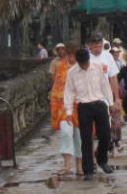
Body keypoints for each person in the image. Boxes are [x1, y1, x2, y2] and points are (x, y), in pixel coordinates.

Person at [64, 48, 115, 180]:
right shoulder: (72, 72)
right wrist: (68, 111)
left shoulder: (98, 68)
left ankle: (102, 160)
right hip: (83, 106)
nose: (84, 65)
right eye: (81, 63)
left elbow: (105, 85)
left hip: (99, 103)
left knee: (105, 135)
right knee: (86, 139)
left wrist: (111, 103)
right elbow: (69, 91)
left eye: (85, 62)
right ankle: (88, 170)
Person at [50, 46, 82, 177]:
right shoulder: (61, 68)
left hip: (79, 106)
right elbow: (56, 88)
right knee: (66, 134)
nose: (71, 58)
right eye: (69, 55)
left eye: (74, 55)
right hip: (63, 107)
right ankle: (67, 166)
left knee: (79, 137)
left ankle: (79, 167)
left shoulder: (83, 68)